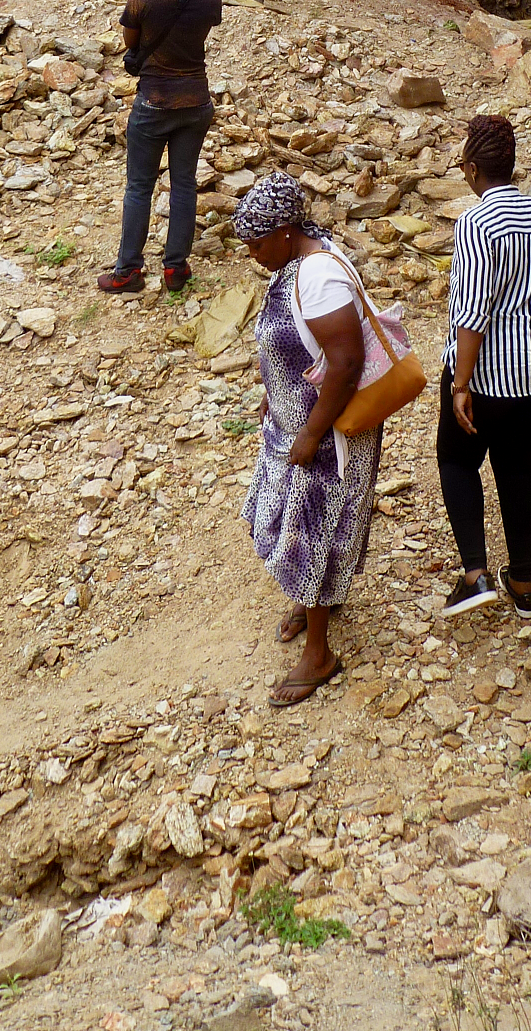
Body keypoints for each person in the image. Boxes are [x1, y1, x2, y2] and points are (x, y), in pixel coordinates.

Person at [234, 173, 377, 708]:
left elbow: (345, 363)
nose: (252, 255)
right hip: (295, 426)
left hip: (325, 437)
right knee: (286, 523)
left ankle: (319, 655)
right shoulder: (298, 261)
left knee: (311, 532)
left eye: (257, 243)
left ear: (287, 231)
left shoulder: (318, 277)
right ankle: (311, 599)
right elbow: (302, 345)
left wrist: (312, 432)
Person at [437, 114, 531, 617]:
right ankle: (522, 583)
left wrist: (460, 384)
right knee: (515, 467)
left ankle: (475, 575)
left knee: (457, 461)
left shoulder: (476, 223)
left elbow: (473, 313)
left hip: (491, 377)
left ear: (474, 170)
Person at [97, 0, 223, 294]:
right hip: (195, 101)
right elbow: (200, 21)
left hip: (153, 102)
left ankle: (128, 271)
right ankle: (175, 269)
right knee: (184, 183)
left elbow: (131, 44)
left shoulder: (142, 0)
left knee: (139, 186)